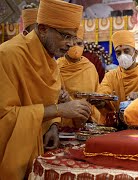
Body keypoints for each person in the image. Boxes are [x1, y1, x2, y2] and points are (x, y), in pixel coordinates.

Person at [0, 0, 92, 179]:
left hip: (38, 148)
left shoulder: (51, 62)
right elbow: (5, 116)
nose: (70, 45)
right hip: (11, 152)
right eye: (66, 36)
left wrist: (53, 126)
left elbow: (48, 100)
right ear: (42, 29)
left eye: (74, 38)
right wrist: (61, 110)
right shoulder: (8, 55)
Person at [97, 30, 138, 124]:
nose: (122, 55)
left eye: (126, 51)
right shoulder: (110, 76)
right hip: (117, 125)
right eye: (118, 53)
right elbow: (103, 92)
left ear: (136, 53)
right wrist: (101, 102)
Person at [57, 24, 101, 127]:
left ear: (84, 45)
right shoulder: (56, 67)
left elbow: (96, 94)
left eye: (79, 43)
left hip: (87, 120)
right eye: (73, 44)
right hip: (63, 122)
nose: (76, 47)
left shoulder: (90, 67)